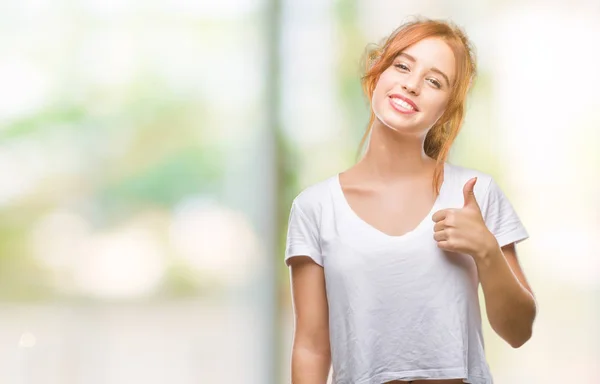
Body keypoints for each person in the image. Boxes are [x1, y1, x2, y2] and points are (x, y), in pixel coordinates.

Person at [284, 17, 537, 384]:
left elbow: (519, 331)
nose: (412, 84)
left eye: (434, 81)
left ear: (447, 110)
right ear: (377, 73)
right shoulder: (315, 208)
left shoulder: (476, 194)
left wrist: (486, 250)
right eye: (402, 65)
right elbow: (311, 347)